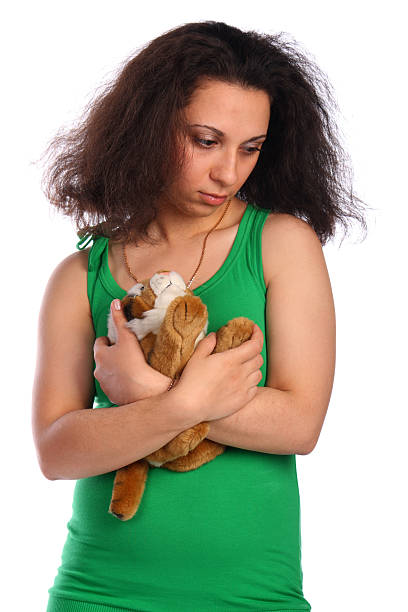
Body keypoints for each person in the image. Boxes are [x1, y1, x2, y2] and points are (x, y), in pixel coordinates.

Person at [33, 20, 367, 612]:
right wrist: (187, 401)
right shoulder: (81, 275)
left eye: (250, 148)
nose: (229, 172)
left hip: (252, 598)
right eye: (206, 140)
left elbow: (298, 424)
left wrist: (142, 390)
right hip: (96, 594)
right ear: (149, 126)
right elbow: (57, 452)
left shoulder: (280, 244)